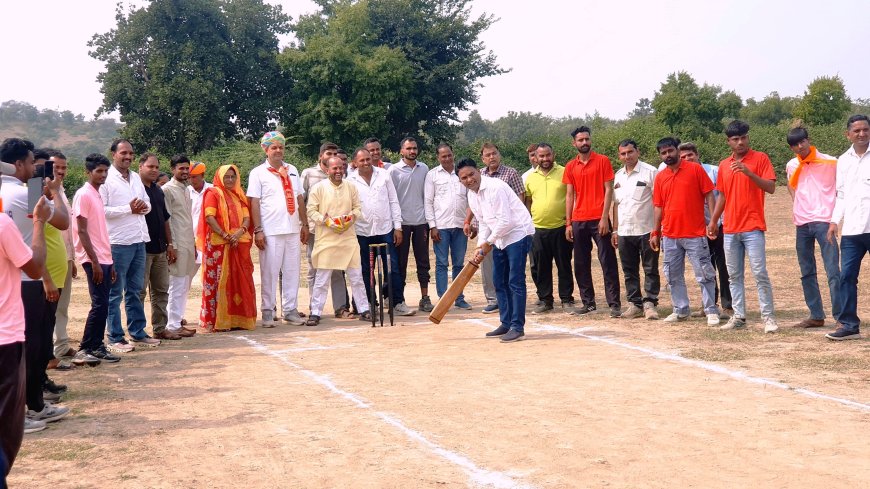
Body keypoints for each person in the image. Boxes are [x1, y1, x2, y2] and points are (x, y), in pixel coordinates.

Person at [0, 139, 71, 430]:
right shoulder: (27, 192)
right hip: (30, 277)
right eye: (31, 163)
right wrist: (54, 192)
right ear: (18, 164)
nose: (34, 169)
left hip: (11, 277)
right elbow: (63, 222)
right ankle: (32, 407)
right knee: (31, 345)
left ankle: (31, 405)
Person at [0, 144, 49, 483]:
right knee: (5, 430)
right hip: (5, 335)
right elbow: (33, 266)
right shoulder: (7, 219)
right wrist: (41, 221)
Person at [709, 120, 778, 333]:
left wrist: (749, 173)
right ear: (728, 141)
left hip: (753, 227)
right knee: (734, 276)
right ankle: (739, 316)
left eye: (743, 137)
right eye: (735, 139)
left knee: (760, 273)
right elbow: (722, 196)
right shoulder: (724, 165)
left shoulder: (760, 158)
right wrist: (713, 221)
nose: (740, 142)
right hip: (730, 228)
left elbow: (771, 187)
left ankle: (768, 318)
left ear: (748, 137)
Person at [459, 158, 534, 342]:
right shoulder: (471, 195)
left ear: (478, 171)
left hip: (518, 233)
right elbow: (484, 222)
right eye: (464, 178)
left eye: (471, 174)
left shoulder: (495, 187)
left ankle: (517, 327)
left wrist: (488, 243)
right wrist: (480, 245)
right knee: (499, 281)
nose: (469, 180)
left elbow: (505, 221)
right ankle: (506, 323)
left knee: (515, 280)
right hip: (500, 237)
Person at [651, 137, 720, 326]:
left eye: (670, 151)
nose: (668, 155)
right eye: (664, 153)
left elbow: (709, 195)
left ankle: (710, 310)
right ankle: (680, 310)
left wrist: (713, 221)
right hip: (670, 235)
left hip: (695, 233)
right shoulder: (661, 177)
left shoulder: (695, 169)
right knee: (673, 275)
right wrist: (655, 232)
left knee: (704, 273)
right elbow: (658, 207)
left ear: (677, 150)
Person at [100, 139, 160, 351]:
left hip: (138, 240)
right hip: (118, 243)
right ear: (113, 154)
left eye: (131, 153)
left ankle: (138, 332)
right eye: (123, 153)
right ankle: (115, 337)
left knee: (135, 291)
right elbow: (101, 210)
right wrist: (128, 209)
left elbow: (147, 203)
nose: (128, 157)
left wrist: (143, 207)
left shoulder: (135, 177)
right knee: (115, 293)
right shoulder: (106, 178)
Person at [248, 131, 310, 327]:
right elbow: (254, 202)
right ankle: (268, 311)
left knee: (292, 271)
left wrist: (304, 224)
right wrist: (258, 230)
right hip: (270, 230)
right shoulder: (258, 172)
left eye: (281, 147)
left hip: (292, 228)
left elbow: (299, 197)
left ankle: (290, 310)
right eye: (273, 147)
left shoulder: (292, 169)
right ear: (265, 150)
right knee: (269, 272)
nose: (278, 150)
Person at [784, 125, 840, 329]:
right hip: (802, 224)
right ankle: (816, 315)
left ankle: (841, 316)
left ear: (808, 140)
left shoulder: (830, 162)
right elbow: (791, 185)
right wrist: (797, 203)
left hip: (825, 221)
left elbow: (841, 189)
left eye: (802, 141)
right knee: (807, 271)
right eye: (795, 144)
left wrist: (835, 218)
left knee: (833, 271)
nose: (800, 146)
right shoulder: (792, 165)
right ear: (791, 148)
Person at [306, 156, 372, 325]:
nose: (338, 171)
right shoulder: (319, 188)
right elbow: (311, 211)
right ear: (327, 170)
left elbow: (357, 208)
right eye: (334, 168)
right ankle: (315, 312)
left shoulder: (350, 187)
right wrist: (326, 221)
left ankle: (364, 310)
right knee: (322, 279)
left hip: (348, 239)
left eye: (341, 168)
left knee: (356, 277)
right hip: (326, 240)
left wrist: (350, 218)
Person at [563, 126, 621, 317]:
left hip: (599, 218)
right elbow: (569, 195)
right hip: (579, 219)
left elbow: (609, 190)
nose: (584, 142)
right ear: (574, 143)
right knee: (581, 263)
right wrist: (568, 223)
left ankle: (614, 304)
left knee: (607, 261)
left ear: (590, 140)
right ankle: (588, 303)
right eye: (580, 140)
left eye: (587, 139)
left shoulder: (602, 160)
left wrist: (604, 218)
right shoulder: (570, 166)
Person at [197, 165, 257, 332]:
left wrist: (238, 233)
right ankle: (218, 321)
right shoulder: (213, 193)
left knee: (240, 281)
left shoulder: (239, 195)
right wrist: (225, 235)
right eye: (227, 177)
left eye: (233, 176)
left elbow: (247, 218)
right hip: (218, 246)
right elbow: (209, 217)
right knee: (218, 282)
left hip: (238, 243)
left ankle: (238, 319)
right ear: (220, 177)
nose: (230, 180)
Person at [826, 114, 870, 341]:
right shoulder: (843, 161)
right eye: (857, 131)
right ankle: (849, 325)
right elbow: (841, 194)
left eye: (865, 129)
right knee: (847, 277)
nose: (862, 134)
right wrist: (834, 221)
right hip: (852, 230)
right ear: (848, 134)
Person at [72, 154, 120, 364]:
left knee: (103, 303)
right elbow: (81, 230)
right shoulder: (83, 194)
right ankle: (86, 347)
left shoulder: (97, 194)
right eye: (99, 171)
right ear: (88, 172)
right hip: (93, 258)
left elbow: (100, 231)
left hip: (104, 256)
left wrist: (110, 261)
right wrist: (94, 261)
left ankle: (97, 345)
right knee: (99, 303)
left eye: (105, 171)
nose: (103, 175)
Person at [468, 142, 525, 314]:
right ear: (482, 159)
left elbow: (517, 202)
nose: (491, 157)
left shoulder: (508, 175)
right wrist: (481, 241)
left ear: (499, 154)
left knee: (512, 277)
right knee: (493, 273)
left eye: (494, 153)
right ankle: (496, 305)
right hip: (491, 230)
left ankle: (514, 316)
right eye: (488, 155)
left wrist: (489, 241)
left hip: (512, 231)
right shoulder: (474, 181)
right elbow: (482, 216)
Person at [679, 142, 732, 318]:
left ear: (697, 154)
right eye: (683, 157)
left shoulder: (714, 171)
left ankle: (728, 306)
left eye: (690, 155)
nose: (688, 159)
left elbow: (724, 196)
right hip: (698, 230)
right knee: (704, 267)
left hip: (720, 225)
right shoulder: (682, 175)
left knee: (724, 266)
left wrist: (718, 222)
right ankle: (709, 305)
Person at [347, 148, 404, 310]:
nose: (366, 162)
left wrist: (398, 227)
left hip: (385, 229)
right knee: (365, 269)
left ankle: (397, 302)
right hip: (362, 231)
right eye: (362, 160)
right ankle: (368, 304)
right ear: (355, 163)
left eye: (368, 159)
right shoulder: (350, 181)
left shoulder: (384, 174)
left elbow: (393, 201)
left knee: (392, 267)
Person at [611, 139, 659, 320]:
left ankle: (650, 304)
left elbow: (658, 202)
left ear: (637, 152)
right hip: (624, 231)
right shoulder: (618, 175)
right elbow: (616, 205)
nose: (627, 156)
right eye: (623, 153)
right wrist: (615, 230)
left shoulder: (650, 172)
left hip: (646, 229)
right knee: (629, 270)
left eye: (630, 152)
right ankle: (635, 304)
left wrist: (656, 230)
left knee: (650, 268)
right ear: (619, 156)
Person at [302, 143, 351, 318]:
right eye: (328, 153)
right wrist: (303, 226)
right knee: (314, 269)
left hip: (337, 230)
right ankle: (314, 308)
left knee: (337, 269)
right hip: (315, 230)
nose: (332, 156)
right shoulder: (309, 174)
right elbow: (302, 202)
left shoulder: (340, 174)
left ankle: (341, 308)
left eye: (335, 154)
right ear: (320, 156)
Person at [524, 143, 574, 313]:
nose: (545, 159)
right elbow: (528, 200)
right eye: (541, 156)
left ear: (554, 155)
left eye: (548, 155)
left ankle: (566, 300)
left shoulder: (565, 171)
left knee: (564, 265)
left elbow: (572, 195)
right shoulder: (530, 177)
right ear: (536, 157)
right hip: (538, 228)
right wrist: (529, 222)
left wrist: (569, 222)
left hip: (561, 226)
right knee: (541, 267)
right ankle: (546, 300)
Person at [44, 149, 80, 369]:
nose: (60, 171)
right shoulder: (41, 192)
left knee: (62, 306)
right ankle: (49, 353)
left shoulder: (61, 192)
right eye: (55, 166)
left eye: (64, 167)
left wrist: (71, 259)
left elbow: (67, 230)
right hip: (47, 260)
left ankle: (62, 344)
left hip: (64, 257)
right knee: (48, 309)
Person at [424, 143, 471, 310]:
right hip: (441, 226)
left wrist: (469, 222)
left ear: (453, 154)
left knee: (459, 264)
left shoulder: (462, 173)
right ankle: (444, 299)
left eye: (449, 155)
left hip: (460, 225)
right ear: (438, 157)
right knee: (442, 263)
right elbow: (428, 202)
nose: (447, 158)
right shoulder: (432, 175)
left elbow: (470, 200)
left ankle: (459, 298)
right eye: (443, 156)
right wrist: (432, 226)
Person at [389, 137, 432, 313]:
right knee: (401, 263)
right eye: (408, 148)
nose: (412, 151)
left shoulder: (424, 168)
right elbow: (391, 199)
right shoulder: (393, 171)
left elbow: (427, 195)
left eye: (414, 148)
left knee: (423, 261)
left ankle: (425, 298)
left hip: (421, 222)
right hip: (402, 224)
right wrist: (396, 225)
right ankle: (399, 300)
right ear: (401, 151)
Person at [138, 153, 175, 340]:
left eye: (156, 167)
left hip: (160, 248)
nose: (154, 170)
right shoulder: (135, 189)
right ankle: (137, 331)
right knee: (139, 292)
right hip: (141, 249)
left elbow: (165, 219)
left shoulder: (158, 191)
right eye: (150, 166)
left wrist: (170, 244)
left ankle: (160, 328)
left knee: (161, 291)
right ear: (140, 167)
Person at [161, 155, 197, 339]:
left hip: (188, 242)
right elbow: (166, 220)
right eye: (180, 168)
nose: (184, 171)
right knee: (176, 284)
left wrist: (194, 243)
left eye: (186, 168)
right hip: (177, 244)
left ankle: (178, 321)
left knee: (183, 284)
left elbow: (187, 219)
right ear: (173, 169)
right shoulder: (167, 190)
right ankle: (172, 325)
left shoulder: (186, 189)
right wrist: (171, 245)